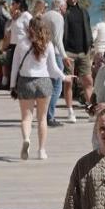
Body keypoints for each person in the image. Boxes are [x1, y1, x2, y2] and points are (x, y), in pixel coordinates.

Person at [10, 16, 69, 160]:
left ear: (29, 28)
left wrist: (12, 85)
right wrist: (64, 77)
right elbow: (53, 68)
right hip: (44, 82)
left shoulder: (21, 43)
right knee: (42, 119)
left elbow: (14, 67)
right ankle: (42, 151)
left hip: (25, 82)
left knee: (26, 118)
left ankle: (26, 139)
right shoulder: (48, 44)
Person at [63, 0, 94, 114]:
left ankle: (91, 109)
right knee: (68, 82)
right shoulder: (63, 11)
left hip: (83, 51)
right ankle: (70, 110)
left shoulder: (83, 11)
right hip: (68, 52)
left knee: (88, 81)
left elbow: (88, 28)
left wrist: (90, 44)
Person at [41, 0, 70, 127]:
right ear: (60, 6)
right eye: (64, 6)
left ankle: (44, 114)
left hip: (44, 52)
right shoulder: (58, 17)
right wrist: (64, 56)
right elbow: (58, 39)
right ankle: (50, 116)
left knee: (49, 85)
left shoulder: (45, 16)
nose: (66, 8)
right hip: (55, 53)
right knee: (57, 85)